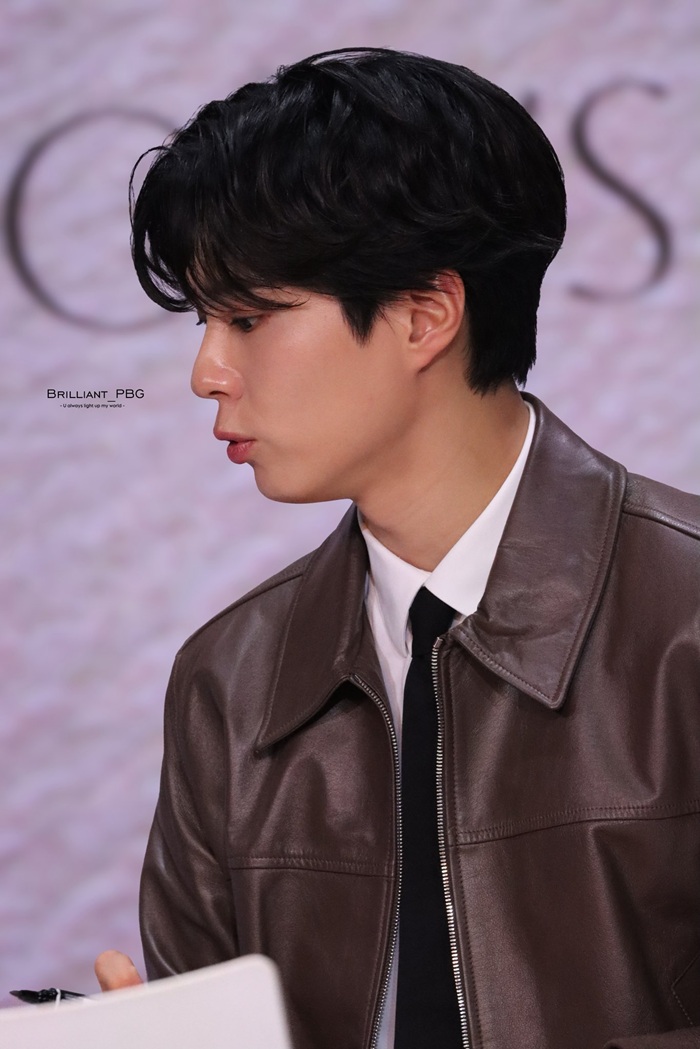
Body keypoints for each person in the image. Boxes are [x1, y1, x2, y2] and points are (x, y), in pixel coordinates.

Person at [96, 48, 700, 1049]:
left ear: (424, 316)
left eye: (247, 316)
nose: (207, 370)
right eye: (205, 321)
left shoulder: (684, 619)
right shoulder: (230, 680)